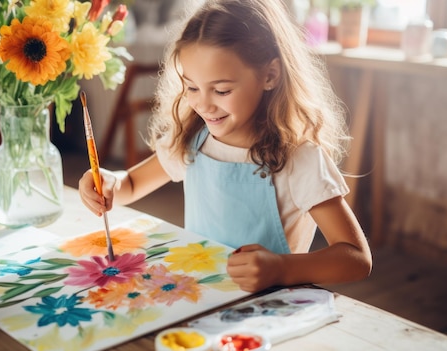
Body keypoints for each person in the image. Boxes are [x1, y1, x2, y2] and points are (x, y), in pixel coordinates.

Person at [79, 0, 372, 292]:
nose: (202, 104)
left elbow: (356, 257)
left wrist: (281, 268)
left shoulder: (299, 158)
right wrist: (109, 184)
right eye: (191, 87)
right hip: (199, 296)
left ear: (270, 75)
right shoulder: (191, 138)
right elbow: (130, 183)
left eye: (221, 90)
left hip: (267, 311)